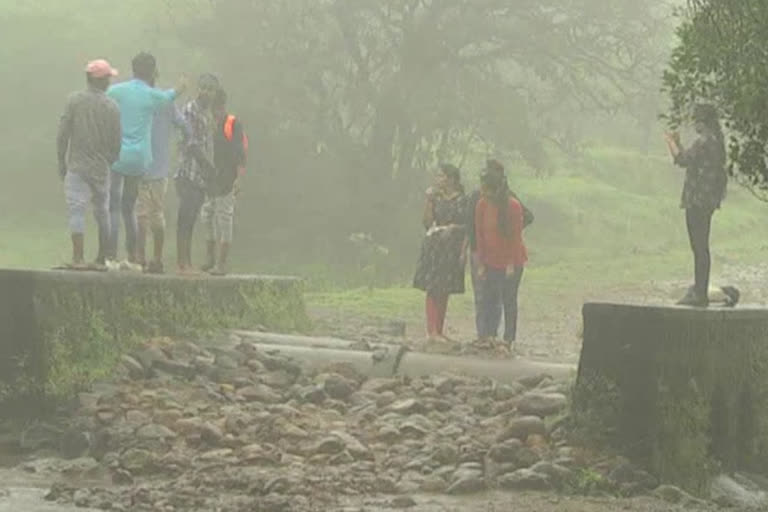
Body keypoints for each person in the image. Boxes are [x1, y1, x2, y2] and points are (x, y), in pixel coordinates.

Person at [107, 52, 186, 269]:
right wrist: (181, 86)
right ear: (153, 72)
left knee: (124, 209)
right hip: (147, 163)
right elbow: (176, 108)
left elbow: (104, 97)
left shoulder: (121, 93)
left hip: (125, 159)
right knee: (141, 211)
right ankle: (143, 257)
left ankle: (124, 256)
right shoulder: (158, 98)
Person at [56, 59, 122, 269]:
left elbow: (63, 133)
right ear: (101, 80)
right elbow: (117, 140)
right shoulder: (112, 106)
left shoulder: (74, 101)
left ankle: (78, 258)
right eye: (108, 78)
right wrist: (109, 160)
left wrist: (61, 160)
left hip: (77, 165)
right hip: (101, 167)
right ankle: (103, 258)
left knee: (77, 209)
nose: (110, 82)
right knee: (102, 211)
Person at [665, 103, 727, 307]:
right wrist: (680, 145)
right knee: (702, 246)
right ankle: (700, 288)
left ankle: (700, 292)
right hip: (707, 200)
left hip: (697, 201)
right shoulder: (716, 141)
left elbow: (682, 160)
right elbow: (692, 160)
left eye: (697, 120)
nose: (694, 124)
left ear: (704, 121)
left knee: (698, 246)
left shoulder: (704, 142)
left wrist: (671, 142)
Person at [467, 159, 532, 340]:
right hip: (490, 260)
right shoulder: (481, 204)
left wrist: (510, 263)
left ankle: (508, 339)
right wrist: (481, 263)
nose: (483, 191)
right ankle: (487, 337)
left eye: (486, 188)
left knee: (508, 300)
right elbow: (479, 235)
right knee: (488, 299)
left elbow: (515, 237)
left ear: (496, 189)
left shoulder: (513, 205)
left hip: (512, 260)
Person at [136, 78, 191, 274]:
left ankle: (140, 258)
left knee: (141, 213)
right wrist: (181, 148)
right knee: (156, 213)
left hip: (138, 165)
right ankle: (157, 258)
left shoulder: (135, 99)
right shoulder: (165, 101)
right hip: (159, 167)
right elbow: (185, 126)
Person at [413, 164, 468, 342]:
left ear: (451, 179)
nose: (438, 180)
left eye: (441, 176)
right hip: (435, 245)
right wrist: (428, 201)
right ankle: (431, 331)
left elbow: (468, 225)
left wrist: (455, 230)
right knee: (432, 287)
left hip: (451, 246)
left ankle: (439, 329)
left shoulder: (463, 200)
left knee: (445, 288)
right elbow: (427, 223)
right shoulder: (435, 199)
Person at [175, 73, 220, 275]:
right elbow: (190, 142)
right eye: (203, 87)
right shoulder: (191, 109)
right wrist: (207, 166)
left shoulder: (208, 114)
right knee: (185, 216)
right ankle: (182, 262)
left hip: (201, 175)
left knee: (192, 217)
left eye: (211, 89)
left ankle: (187, 262)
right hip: (188, 171)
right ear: (198, 89)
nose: (206, 92)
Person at [201, 89, 247, 275]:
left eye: (217, 109)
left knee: (224, 218)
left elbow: (240, 153)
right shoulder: (211, 124)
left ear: (222, 107)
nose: (215, 113)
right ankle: (210, 258)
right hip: (213, 177)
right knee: (207, 215)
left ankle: (221, 264)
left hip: (228, 177)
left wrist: (238, 178)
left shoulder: (232, 123)